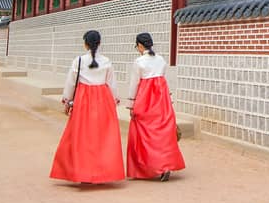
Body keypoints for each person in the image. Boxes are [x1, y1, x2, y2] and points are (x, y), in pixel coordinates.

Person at [50, 30, 125, 185]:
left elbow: (71, 83)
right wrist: (115, 100)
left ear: (85, 44)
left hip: (84, 101)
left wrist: (67, 100)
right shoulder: (106, 61)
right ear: (99, 43)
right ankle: (102, 173)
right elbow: (111, 84)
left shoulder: (78, 61)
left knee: (82, 137)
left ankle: (83, 172)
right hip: (103, 99)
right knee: (102, 138)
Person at [125, 32, 186, 181]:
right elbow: (163, 80)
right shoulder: (161, 60)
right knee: (163, 133)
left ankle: (144, 167)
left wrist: (131, 104)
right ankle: (165, 165)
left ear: (140, 46)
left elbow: (135, 84)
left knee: (143, 132)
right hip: (161, 98)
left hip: (145, 98)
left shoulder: (139, 62)